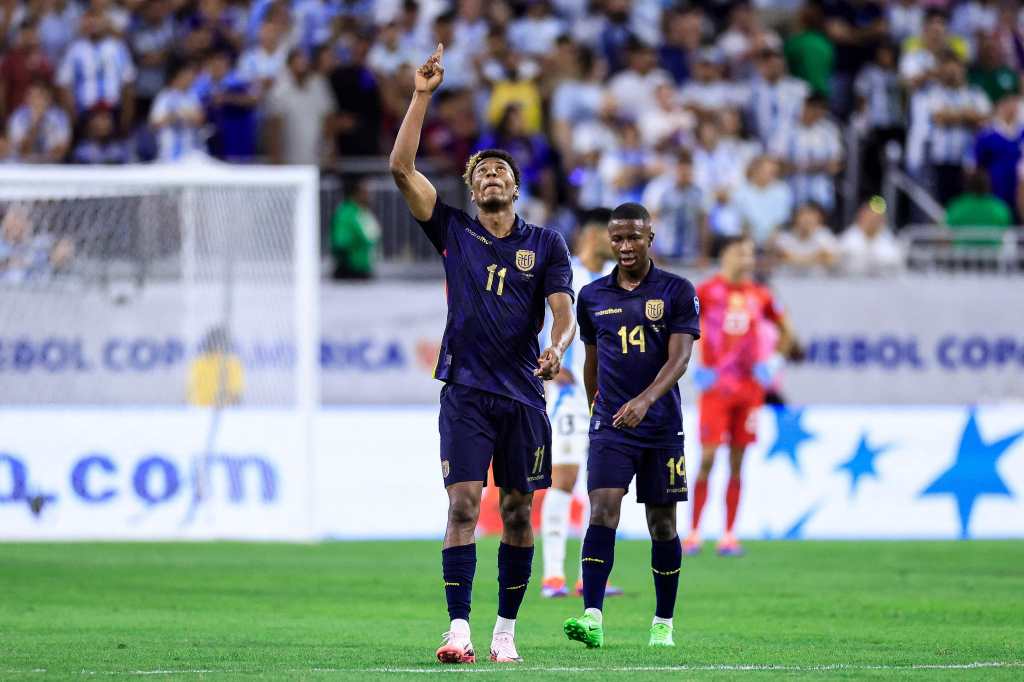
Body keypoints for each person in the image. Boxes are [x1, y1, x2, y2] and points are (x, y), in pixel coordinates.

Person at [389, 45, 576, 665]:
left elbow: (562, 310)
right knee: (464, 504)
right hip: (465, 391)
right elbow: (400, 168)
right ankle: (459, 630)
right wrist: (422, 95)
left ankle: (504, 632)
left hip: (524, 394)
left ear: (516, 188)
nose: (492, 176)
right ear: (471, 192)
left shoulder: (546, 244)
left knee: (519, 512)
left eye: (501, 171)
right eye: (482, 174)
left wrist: (556, 348)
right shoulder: (452, 231)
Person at [562, 202, 700, 650]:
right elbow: (591, 362)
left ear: (649, 238)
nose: (624, 246)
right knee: (602, 510)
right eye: (616, 238)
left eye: (632, 237)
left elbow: (679, 359)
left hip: (661, 426)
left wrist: (644, 400)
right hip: (612, 427)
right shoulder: (593, 297)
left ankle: (663, 622)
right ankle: (593, 616)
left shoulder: (677, 291)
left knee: (662, 524)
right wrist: (595, 413)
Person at [685, 235, 801, 557]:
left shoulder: (760, 295)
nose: (747, 260)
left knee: (738, 461)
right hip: (716, 388)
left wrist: (773, 363)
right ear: (725, 256)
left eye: (750, 254)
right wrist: (695, 363)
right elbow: (681, 327)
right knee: (707, 458)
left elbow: (788, 332)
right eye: (741, 253)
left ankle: (729, 534)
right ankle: (693, 532)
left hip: (750, 390)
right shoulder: (706, 291)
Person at [539, 208, 621, 600]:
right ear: (592, 236)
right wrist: (550, 356)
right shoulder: (565, 274)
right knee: (566, 477)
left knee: (601, 485)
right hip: (569, 394)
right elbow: (541, 318)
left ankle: (590, 576)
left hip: (607, 396)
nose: (620, 243)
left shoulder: (614, 282)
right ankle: (553, 575)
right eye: (613, 236)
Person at [839, 197, 904, 275]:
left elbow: (895, 259)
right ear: (861, 217)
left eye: (876, 218)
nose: (872, 221)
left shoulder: (887, 239)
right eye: (869, 217)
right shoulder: (849, 237)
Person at [774, 202, 841, 275]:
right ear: (795, 217)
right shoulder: (784, 237)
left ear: (819, 218)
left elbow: (832, 260)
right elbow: (779, 257)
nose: (807, 219)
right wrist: (817, 257)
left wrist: (794, 258)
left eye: (811, 216)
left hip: (819, 281)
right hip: (788, 280)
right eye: (803, 215)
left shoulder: (826, 236)